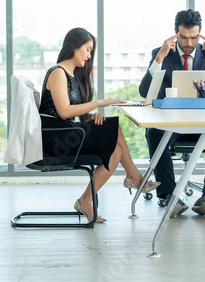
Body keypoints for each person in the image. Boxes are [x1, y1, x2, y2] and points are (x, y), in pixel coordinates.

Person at [38, 27, 160, 223]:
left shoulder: (71, 75)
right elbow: (64, 112)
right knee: (114, 127)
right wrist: (99, 103)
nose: (89, 55)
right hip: (55, 140)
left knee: (116, 151)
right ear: (73, 47)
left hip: (66, 133)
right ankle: (135, 177)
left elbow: (72, 109)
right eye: (87, 49)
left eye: (91, 51)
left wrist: (90, 115)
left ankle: (86, 200)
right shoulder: (57, 72)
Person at [139, 9, 205, 217]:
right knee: (153, 132)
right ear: (175, 33)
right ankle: (169, 195)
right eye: (183, 37)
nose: (189, 43)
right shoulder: (162, 53)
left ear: (200, 34)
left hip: (203, 126)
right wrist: (159, 59)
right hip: (172, 126)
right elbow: (144, 92)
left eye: (194, 37)